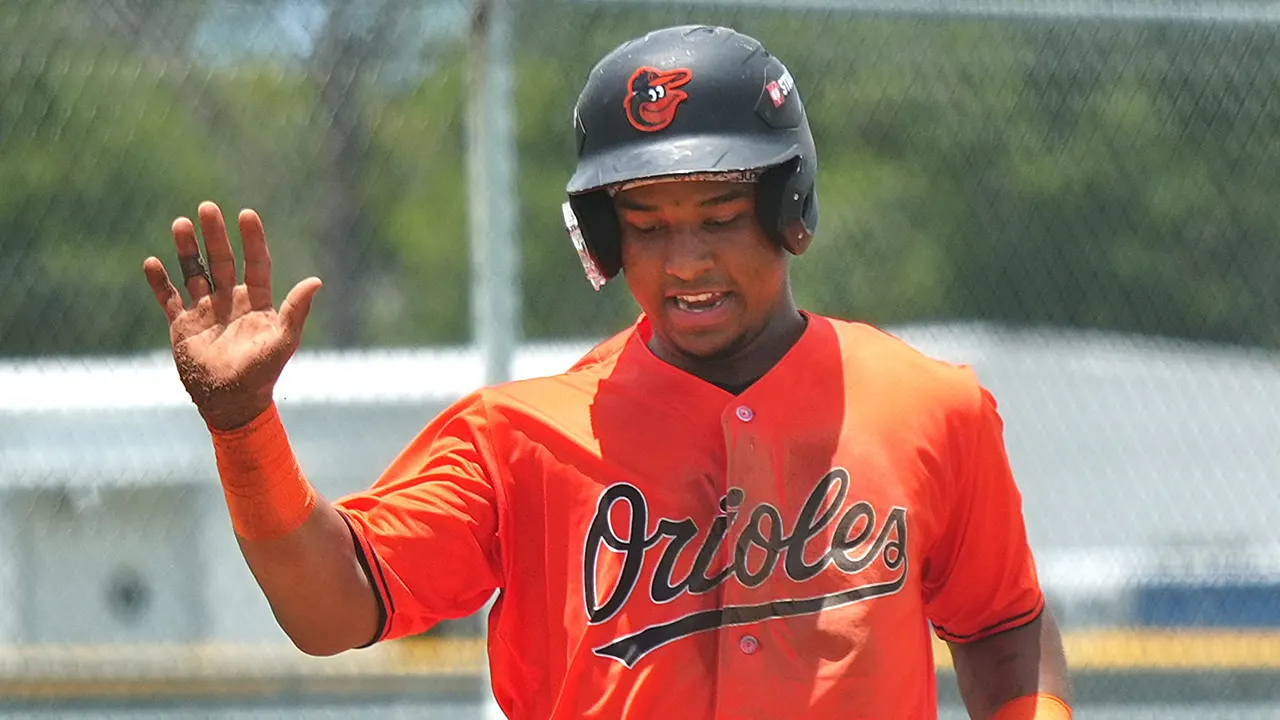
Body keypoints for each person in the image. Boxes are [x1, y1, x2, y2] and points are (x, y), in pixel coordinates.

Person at [142, 24, 1071, 720]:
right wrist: (243, 426)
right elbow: (332, 609)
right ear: (603, 237)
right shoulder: (517, 440)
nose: (686, 260)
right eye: (650, 224)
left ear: (789, 208)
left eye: (718, 214)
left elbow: (1002, 624)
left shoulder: (930, 407)